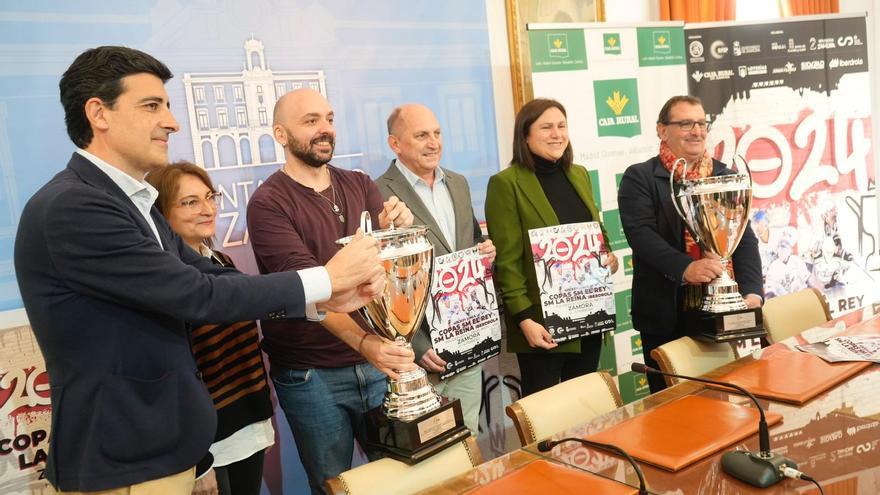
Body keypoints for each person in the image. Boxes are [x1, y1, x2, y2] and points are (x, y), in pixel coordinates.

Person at [13, 46, 383, 494]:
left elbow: (215, 278)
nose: (172, 122)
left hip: (162, 448)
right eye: (152, 106)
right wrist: (328, 277)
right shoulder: (74, 206)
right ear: (99, 113)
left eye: (168, 106)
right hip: (124, 459)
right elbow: (197, 295)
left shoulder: (134, 202)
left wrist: (321, 297)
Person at [246, 88, 416, 494]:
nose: (325, 130)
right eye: (310, 121)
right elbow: (313, 292)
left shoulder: (359, 184)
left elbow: (388, 271)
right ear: (281, 134)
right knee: (334, 486)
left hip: (377, 364)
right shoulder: (268, 203)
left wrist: (399, 231)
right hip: (312, 374)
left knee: (400, 478)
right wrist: (365, 343)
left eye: (329, 119)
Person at [617, 95, 763, 394]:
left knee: (725, 398)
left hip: (721, 310)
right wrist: (687, 268)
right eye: (685, 123)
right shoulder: (641, 177)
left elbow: (744, 239)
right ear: (662, 130)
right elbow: (641, 236)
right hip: (666, 313)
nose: (696, 131)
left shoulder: (725, 175)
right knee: (672, 406)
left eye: (701, 123)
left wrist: (752, 292)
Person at [146, 162, 274, 495]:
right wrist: (198, 459)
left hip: (247, 425)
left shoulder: (222, 263)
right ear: (160, 214)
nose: (207, 209)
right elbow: (173, 376)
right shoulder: (163, 283)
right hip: (206, 441)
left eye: (209, 197)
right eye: (189, 202)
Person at [484, 98, 619, 398]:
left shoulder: (579, 174)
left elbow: (598, 234)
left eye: (561, 126)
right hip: (542, 326)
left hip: (589, 316)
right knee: (545, 416)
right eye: (546, 127)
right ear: (525, 135)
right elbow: (508, 262)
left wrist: (607, 257)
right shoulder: (506, 184)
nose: (556, 134)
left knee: (585, 407)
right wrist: (524, 320)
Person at [376, 103, 496, 435]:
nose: (434, 143)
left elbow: (469, 242)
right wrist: (416, 345)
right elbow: (378, 283)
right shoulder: (376, 192)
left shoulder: (457, 183)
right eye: (421, 135)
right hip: (419, 357)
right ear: (395, 144)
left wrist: (484, 254)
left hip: (466, 342)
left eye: (437, 133)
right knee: (428, 456)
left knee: (466, 441)